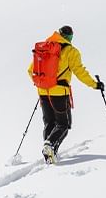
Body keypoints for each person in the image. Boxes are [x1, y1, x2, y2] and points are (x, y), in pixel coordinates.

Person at [30, 25, 100, 164]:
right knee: (64, 124)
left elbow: (30, 70)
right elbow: (80, 72)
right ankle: (50, 145)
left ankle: (49, 152)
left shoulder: (45, 48)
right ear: (70, 37)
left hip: (43, 92)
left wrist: (43, 83)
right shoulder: (71, 51)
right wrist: (95, 84)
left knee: (49, 123)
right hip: (60, 92)